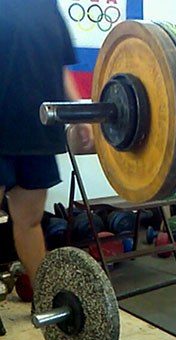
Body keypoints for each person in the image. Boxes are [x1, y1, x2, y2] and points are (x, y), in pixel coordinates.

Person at [0, 0, 92, 288]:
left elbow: (61, 67)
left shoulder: (48, 7)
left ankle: (46, 299)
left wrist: (78, 113)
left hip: (38, 131)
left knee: (29, 222)